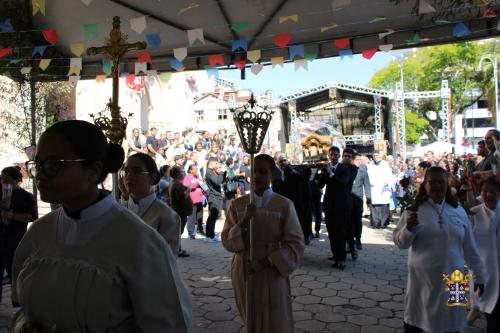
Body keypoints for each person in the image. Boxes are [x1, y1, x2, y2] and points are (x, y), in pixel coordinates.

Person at [12, 120, 191, 332]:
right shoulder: (38, 234)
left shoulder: (139, 241)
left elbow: (170, 324)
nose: (40, 175)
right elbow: (22, 306)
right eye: (37, 165)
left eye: (53, 164)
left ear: (93, 171)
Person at [393, 166, 485, 333]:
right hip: (423, 281)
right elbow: (401, 243)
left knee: (454, 323)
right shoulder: (414, 210)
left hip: (456, 279)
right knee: (419, 322)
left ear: (447, 184)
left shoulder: (458, 211)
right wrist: (409, 229)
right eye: (432, 182)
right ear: (425, 185)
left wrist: (479, 275)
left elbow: (470, 247)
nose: (437, 186)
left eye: (441, 182)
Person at [221, 154, 304, 333]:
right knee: (250, 316)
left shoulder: (284, 205)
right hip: (245, 267)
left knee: (274, 317)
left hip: (272, 269)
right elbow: (227, 241)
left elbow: (295, 245)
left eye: (263, 172)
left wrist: (266, 262)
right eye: (254, 171)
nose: (257, 176)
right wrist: (243, 221)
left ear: (272, 174)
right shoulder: (238, 205)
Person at [119, 153, 181, 256]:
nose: (129, 176)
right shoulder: (118, 210)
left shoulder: (168, 216)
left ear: (152, 177)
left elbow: (166, 261)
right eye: (126, 171)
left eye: (137, 171)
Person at [0, 166, 37, 306]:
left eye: (7, 180)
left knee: (15, 276)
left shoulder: (26, 196)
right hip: (1, 240)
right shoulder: (1, 194)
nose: (4, 182)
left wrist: (12, 215)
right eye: (2, 179)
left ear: (15, 180)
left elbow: (31, 217)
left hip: (15, 241)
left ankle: (18, 307)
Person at [468, 176, 500, 332]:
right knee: (487, 305)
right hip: (482, 269)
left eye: (492, 191)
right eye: (485, 191)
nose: (488, 195)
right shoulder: (475, 213)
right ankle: (475, 310)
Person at [317, 146, 356, 270]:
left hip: (342, 206)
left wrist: (330, 173)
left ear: (339, 156)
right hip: (329, 205)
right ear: (328, 156)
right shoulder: (326, 169)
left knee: (340, 232)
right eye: (331, 154)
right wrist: (319, 174)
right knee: (331, 232)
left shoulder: (344, 169)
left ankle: (342, 259)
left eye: (335, 154)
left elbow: (342, 183)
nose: (333, 156)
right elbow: (320, 185)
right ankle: (335, 255)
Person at [351, 152, 371, 250]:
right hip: (347, 199)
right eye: (357, 160)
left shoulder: (363, 171)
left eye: (360, 160)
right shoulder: (347, 170)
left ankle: (358, 239)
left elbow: (366, 185)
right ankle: (349, 239)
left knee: (358, 220)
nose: (359, 162)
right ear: (353, 160)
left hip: (358, 199)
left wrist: (369, 199)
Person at [204, 158, 224, 242]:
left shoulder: (210, 172)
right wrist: (222, 173)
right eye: (216, 164)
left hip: (216, 196)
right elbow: (218, 182)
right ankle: (209, 236)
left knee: (214, 216)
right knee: (212, 216)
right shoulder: (209, 172)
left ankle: (211, 235)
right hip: (213, 197)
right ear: (211, 164)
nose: (217, 166)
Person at [184, 164, 205, 239]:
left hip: (199, 199)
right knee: (192, 216)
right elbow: (187, 186)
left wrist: (202, 186)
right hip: (192, 199)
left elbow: (203, 184)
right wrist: (197, 184)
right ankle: (191, 232)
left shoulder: (196, 177)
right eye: (195, 169)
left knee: (200, 215)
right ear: (190, 170)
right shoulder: (187, 177)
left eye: (197, 169)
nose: (197, 170)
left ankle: (200, 229)